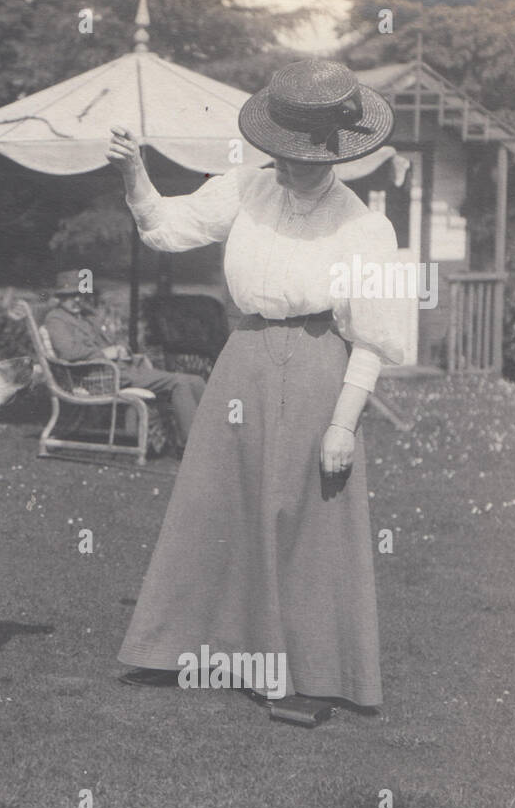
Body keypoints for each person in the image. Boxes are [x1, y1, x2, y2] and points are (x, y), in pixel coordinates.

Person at [106, 59, 409, 716]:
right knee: (215, 505)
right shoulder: (243, 190)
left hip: (317, 367)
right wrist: (135, 174)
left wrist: (342, 422)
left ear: (337, 148)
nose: (294, 166)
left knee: (302, 515)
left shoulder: (363, 227)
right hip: (241, 360)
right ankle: (184, 651)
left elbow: (374, 336)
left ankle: (305, 676)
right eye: (284, 152)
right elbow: (165, 226)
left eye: (308, 155)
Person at [43, 287, 204, 451]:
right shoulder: (56, 320)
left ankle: (211, 438)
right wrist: (105, 353)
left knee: (196, 380)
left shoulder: (86, 318)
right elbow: (68, 352)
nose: (77, 299)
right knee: (180, 382)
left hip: (121, 370)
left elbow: (113, 341)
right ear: (60, 298)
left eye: (80, 295)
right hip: (99, 377)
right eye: (71, 296)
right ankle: (193, 448)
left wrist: (121, 349)